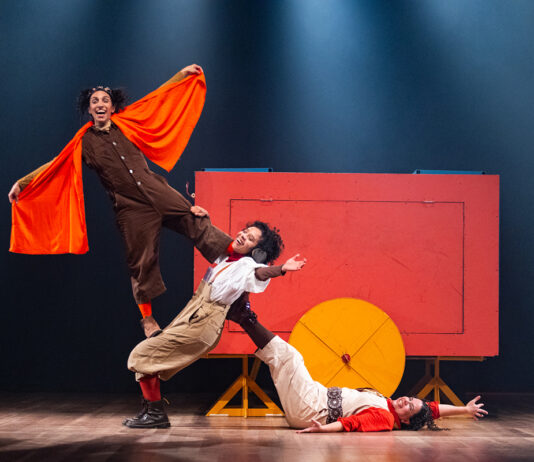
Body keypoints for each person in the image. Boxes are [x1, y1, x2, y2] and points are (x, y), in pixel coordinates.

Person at [8, 64, 232, 337]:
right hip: (130, 208)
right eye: (95, 101)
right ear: (90, 110)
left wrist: (181, 75)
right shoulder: (84, 143)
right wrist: (23, 183)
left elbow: (156, 99)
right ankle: (148, 320)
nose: (100, 104)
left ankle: (237, 254)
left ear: (113, 107)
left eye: (105, 100)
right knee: (140, 261)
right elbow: (56, 164)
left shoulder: (128, 122)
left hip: (157, 191)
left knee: (196, 219)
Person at [123, 221, 307, 428]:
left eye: (250, 239)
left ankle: (155, 414)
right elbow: (204, 236)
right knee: (150, 362)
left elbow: (260, 274)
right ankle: (153, 413)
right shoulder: (226, 258)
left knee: (142, 354)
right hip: (191, 314)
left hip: (204, 323)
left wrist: (281, 269)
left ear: (257, 252)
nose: (243, 236)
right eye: (245, 231)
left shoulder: (248, 266)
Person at [225, 303, 488, 432]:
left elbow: (351, 424)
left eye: (408, 406)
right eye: (410, 399)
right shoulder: (390, 405)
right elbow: (430, 409)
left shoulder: (385, 417)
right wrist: (464, 410)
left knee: (290, 357)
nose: (406, 400)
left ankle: (244, 316)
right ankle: (242, 316)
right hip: (314, 397)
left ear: (406, 420)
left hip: (312, 409)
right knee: (283, 361)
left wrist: (321, 430)